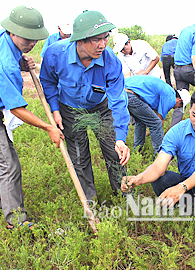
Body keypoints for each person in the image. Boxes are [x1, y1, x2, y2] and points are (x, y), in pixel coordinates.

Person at [0, 6, 64, 229]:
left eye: (35, 40)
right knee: (9, 163)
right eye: (27, 39)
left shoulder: (0, 35)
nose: (31, 44)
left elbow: (13, 58)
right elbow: (16, 108)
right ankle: (16, 221)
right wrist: (48, 127)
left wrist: (22, 63)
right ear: (13, 32)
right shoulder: (2, 65)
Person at [40, 10, 131, 201]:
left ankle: (123, 198)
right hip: (69, 109)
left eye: (105, 38)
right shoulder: (55, 54)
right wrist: (55, 110)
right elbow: (47, 82)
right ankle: (89, 202)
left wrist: (121, 137)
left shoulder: (111, 62)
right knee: (80, 157)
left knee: (115, 153)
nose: (103, 44)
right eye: (96, 39)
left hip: (100, 108)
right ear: (79, 40)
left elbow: (118, 100)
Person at [121, 88, 195, 220]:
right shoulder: (177, 131)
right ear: (189, 110)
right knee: (159, 179)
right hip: (184, 183)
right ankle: (180, 210)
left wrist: (181, 187)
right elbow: (158, 166)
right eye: (194, 115)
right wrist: (138, 178)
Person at [125, 75, 190, 155]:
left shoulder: (166, 90)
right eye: (179, 106)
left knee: (141, 122)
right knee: (156, 124)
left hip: (124, 92)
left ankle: (137, 152)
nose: (174, 108)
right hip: (132, 95)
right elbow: (159, 121)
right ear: (179, 100)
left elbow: (151, 113)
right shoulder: (170, 97)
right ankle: (159, 155)